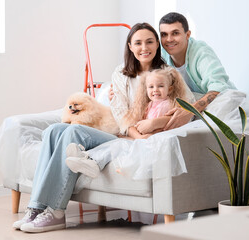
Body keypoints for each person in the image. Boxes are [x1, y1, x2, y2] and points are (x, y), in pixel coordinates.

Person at [13, 22, 166, 233]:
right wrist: (133, 132)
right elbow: (121, 113)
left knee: (74, 131)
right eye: (138, 43)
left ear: (157, 44)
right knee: (53, 130)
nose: (144, 47)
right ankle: (37, 207)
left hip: (130, 140)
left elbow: (168, 108)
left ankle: (56, 212)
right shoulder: (121, 73)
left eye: (150, 42)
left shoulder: (165, 75)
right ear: (130, 46)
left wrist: (139, 136)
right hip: (119, 132)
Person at [158, 12, 236, 130]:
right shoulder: (162, 54)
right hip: (189, 107)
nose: (169, 39)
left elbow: (219, 87)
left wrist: (190, 111)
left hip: (221, 106)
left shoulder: (201, 52)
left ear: (187, 34)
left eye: (175, 33)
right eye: (164, 34)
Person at [121, 67, 193, 139]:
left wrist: (148, 133)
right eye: (151, 87)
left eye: (160, 86)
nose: (155, 90)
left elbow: (164, 128)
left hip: (158, 138)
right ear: (146, 89)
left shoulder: (166, 105)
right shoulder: (149, 105)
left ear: (169, 89)